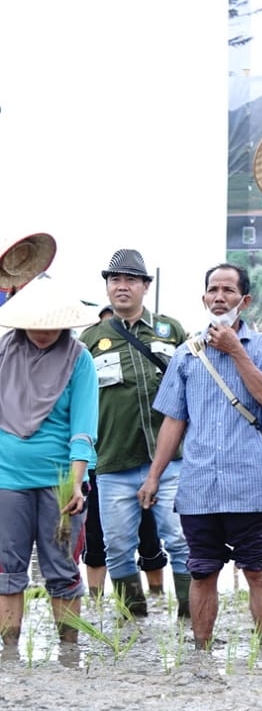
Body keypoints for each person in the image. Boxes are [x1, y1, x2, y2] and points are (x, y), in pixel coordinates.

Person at [140, 264, 262, 649]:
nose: (219, 297)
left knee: (257, 569)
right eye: (213, 290)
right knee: (202, 572)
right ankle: (201, 653)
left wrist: (236, 351)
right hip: (199, 484)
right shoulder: (187, 354)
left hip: (249, 483)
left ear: (245, 300)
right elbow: (174, 421)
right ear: (204, 298)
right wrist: (154, 476)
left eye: (228, 290)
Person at [78, 249, 192, 618]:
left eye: (130, 280)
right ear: (107, 287)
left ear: (145, 286)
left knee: (180, 542)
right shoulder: (90, 339)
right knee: (118, 547)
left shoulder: (171, 331)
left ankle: (192, 620)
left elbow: (194, 388)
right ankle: (134, 626)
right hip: (114, 461)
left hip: (171, 460)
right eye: (115, 280)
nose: (122, 286)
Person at [0, 280, 98, 657]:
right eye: (34, 324)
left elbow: (84, 428)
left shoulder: (79, 359)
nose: (43, 332)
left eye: (51, 324)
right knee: (8, 571)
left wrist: (76, 482)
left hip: (61, 482)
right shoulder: (4, 352)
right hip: (7, 478)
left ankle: (69, 655)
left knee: (61, 570)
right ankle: (9, 654)